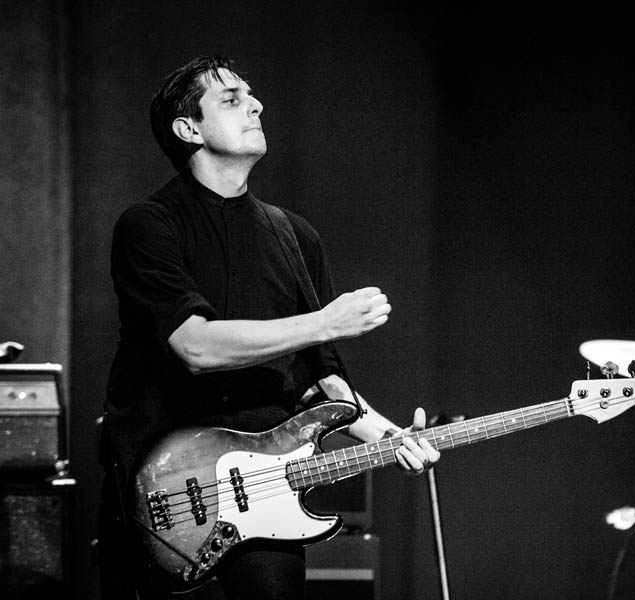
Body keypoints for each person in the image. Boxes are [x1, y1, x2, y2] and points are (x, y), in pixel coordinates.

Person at [98, 54, 441, 600]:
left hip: (262, 496)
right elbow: (195, 346)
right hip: (164, 491)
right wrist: (324, 322)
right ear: (189, 129)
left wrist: (391, 438)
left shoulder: (293, 236)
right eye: (231, 99)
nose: (255, 105)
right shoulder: (149, 225)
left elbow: (320, 383)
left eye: (252, 96)